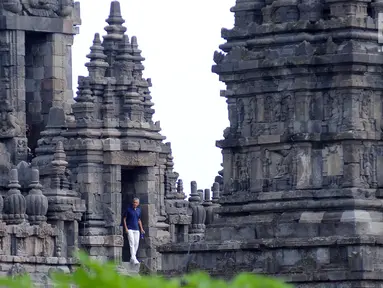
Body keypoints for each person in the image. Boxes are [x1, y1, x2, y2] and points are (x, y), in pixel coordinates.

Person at [123, 198, 145, 264]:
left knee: (136, 243)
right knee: (131, 243)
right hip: (130, 228)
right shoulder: (128, 210)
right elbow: (124, 219)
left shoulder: (138, 210)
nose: (135, 203)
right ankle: (134, 258)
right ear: (133, 203)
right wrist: (126, 228)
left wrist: (141, 229)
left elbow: (139, 220)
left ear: (138, 204)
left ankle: (132, 258)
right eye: (134, 202)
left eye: (136, 203)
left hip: (137, 229)